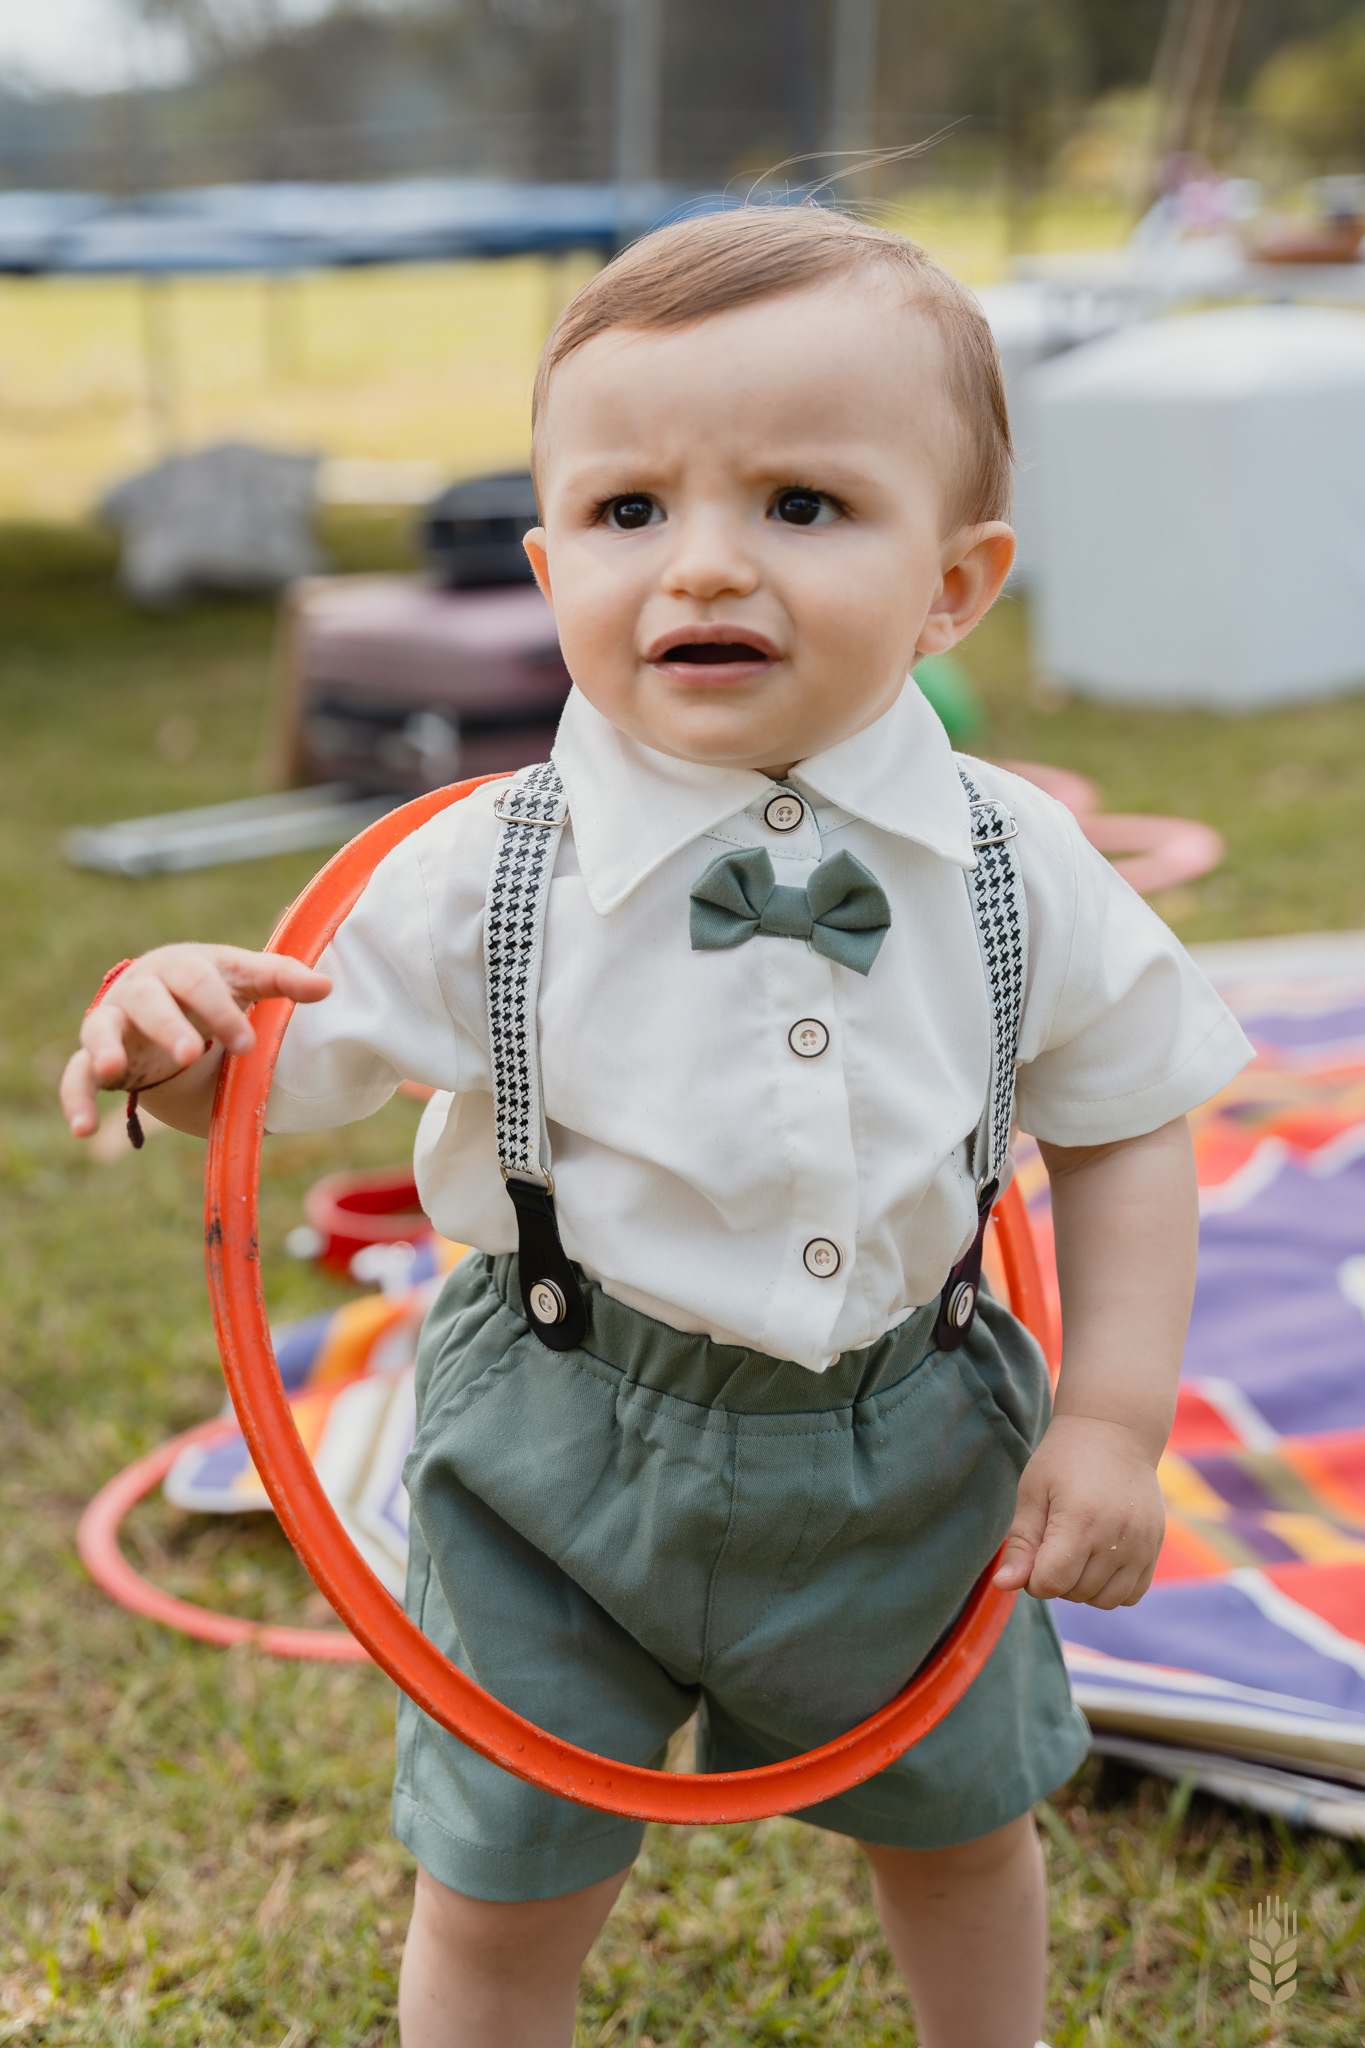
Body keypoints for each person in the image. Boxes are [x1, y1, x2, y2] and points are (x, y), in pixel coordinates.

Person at [60, 206, 1253, 2048]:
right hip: (558, 1445)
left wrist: (1106, 1424)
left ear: (953, 583)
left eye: (800, 504)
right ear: (548, 568)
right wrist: (178, 1032)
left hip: (915, 1441)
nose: (702, 565)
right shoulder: (478, 869)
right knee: (503, 1883)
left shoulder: (1014, 861)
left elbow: (1123, 1126)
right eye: (628, 511)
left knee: (961, 1831)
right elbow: (274, 1078)